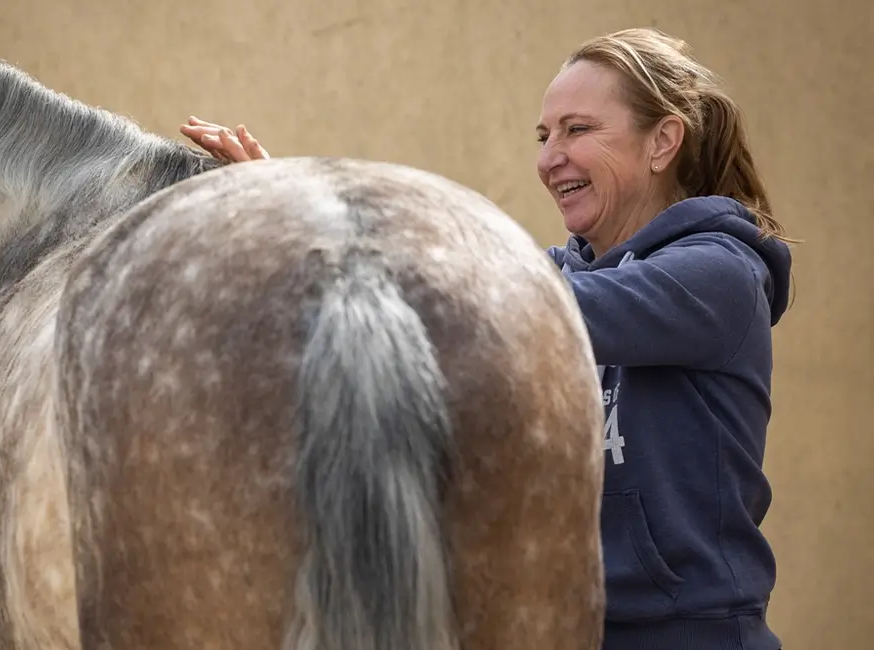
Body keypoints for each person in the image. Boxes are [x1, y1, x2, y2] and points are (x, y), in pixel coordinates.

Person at [180, 27, 793, 650]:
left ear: (662, 141)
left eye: (577, 129)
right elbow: (461, 285)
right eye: (544, 135)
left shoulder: (719, 276)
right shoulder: (556, 271)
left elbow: (491, 297)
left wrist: (296, 218)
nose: (549, 156)